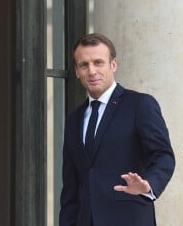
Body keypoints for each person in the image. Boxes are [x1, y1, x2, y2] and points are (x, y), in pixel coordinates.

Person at [59, 33, 175, 226]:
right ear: (77, 71)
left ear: (113, 65)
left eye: (98, 62)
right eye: (84, 65)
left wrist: (148, 185)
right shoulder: (74, 120)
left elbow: (163, 155)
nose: (92, 71)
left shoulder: (139, 105)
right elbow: (71, 188)